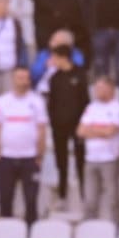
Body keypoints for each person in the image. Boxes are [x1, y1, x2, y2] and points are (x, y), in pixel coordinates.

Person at [0, 67, 46, 226]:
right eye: (19, 77)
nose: (22, 81)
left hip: (30, 158)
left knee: (31, 199)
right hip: (6, 157)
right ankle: (6, 231)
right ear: (13, 79)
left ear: (29, 80)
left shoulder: (37, 102)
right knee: (5, 198)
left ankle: (31, 231)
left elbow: (42, 129)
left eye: (25, 78)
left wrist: (39, 154)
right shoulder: (2, 101)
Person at [44, 43, 89, 212]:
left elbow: (85, 101)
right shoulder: (54, 78)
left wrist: (83, 124)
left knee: (81, 161)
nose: (52, 60)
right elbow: (52, 103)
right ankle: (62, 196)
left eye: (54, 57)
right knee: (61, 162)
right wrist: (53, 122)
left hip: (78, 127)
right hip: (59, 127)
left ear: (63, 57)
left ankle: (85, 195)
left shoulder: (80, 74)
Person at [77, 75, 119, 222]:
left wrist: (91, 130)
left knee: (113, 197)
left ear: (111, 89)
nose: (97, 91)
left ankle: (117, 226)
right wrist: (101, 132)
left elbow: (111, 132)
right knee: (90, 198)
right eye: (96, 88)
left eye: (101, 88)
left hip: (110, 158)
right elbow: (80, 131)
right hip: (91, 158)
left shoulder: (118, 107)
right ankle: (88, 227)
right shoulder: (91, 107)